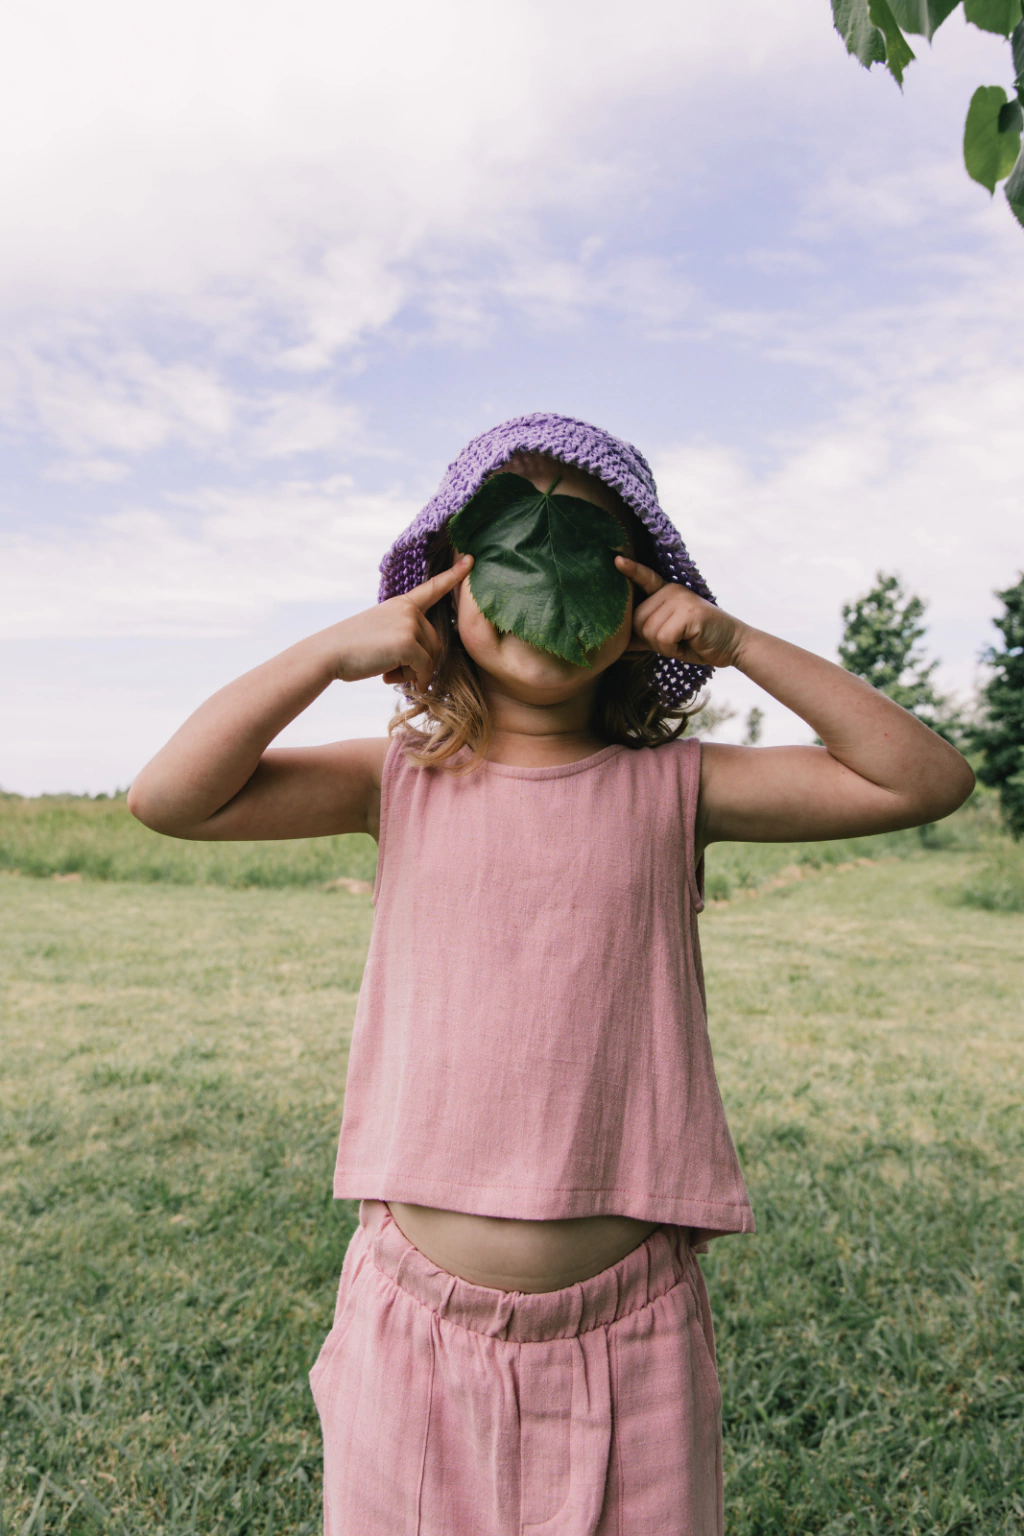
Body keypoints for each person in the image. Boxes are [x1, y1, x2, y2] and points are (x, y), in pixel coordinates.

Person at [127, 413, 974, 1535]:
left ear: (641, 597)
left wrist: (740, 643)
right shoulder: (397, 779)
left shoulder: (680, 785)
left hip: (631, 1328)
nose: (540, 574)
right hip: (414, 1324)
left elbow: (923, 781)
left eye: (581, 545)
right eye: (503, 547)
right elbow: (170, 799)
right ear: (443, 591)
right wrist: (328, 652)